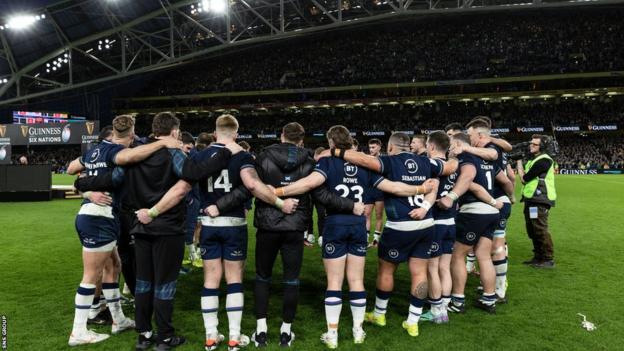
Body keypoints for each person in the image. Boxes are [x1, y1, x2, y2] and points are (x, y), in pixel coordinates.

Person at [275, 127, 436, 347]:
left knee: (334, 281)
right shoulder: (364, 165)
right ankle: (358, 331)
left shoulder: (327, 162)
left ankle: (332, 335)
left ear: (331, 141)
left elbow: (308, 184)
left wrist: (277, 192)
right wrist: (420, 189)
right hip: (359, 226)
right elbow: (394, 188)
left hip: (335, 224)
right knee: (357, 280)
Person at [210, 122, 358, 348]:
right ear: (302, 139)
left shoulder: (263, 156)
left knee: (262, 277)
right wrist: (349, 206)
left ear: (281, 136)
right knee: (291, 279)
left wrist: (220, 205)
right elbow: (319, 195)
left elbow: (251, 188)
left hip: (268, 225)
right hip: (294, 226)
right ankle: (286, 332)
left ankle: (261, 330)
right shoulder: (310, 161)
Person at [66, 115, 179, 346]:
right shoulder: (114, 151)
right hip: (100, 218)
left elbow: (71, 169)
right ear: (130, 132)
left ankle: (118, 319)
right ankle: (78, 330)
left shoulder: (94, 151)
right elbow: (128, 157)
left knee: (115, 265)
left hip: (94, 215)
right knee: (91, 275)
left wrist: (86, 190)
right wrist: (163, 142)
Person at [194, 115, 299, 351]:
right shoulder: (242, 156)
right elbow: (251, 185)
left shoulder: (200, 155)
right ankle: (233, 337)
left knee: (210, 281)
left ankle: (211, 336)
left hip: (209, 223)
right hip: (233, 224)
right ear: (237, 133)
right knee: (234, 281)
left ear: (214, 133)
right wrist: (280, 204)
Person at [439, 132, 500, 314]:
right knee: (484, 256)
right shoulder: (483, 157)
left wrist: (452, 196)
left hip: (474, 211)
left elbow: (470, 182)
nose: (450, 148)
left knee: (457, 256)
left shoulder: (464, 157)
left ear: (458, 143)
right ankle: (489, 299)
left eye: (451, 145)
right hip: (491, 214)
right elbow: (503, 178)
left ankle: (457, 301)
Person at [516, 134, 557, 268]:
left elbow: (524, 178)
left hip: (539, 199)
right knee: (532, 228)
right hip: (532, 200)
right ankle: (538, 256)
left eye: (535, 144)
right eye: (531, 143)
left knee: (539, 228)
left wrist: (518, 162)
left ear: (542, 147)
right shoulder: (534, 160)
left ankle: (547, 259)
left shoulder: (544, 160)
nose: (531, 145)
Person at [366, 138, 384, 246]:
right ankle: (365, 238)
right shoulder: (367, 159)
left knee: (378, 215)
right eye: (370, 147)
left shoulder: (384, 160)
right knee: (366, 214)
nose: (371, 149)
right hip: (368, 190)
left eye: (373, 147)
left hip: (380, 191)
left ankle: (376, 240)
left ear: (379, 147)